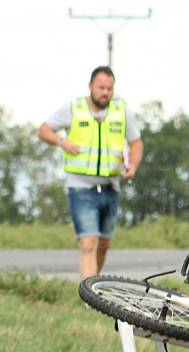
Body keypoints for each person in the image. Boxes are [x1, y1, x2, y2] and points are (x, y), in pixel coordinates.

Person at [38, 66, 143, 279]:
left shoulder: (121, 112)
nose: (105, 92)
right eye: (101, 87)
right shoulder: (73, 108)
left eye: (109, 88)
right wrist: (61, 141)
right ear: (90, 87)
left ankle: (93, 287)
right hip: (81, 186)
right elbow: (44, 130)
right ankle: (89, 294)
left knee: (104, 244)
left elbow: (136, 142)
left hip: (111, 187)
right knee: (88, 242)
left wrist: (133, 165)